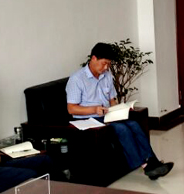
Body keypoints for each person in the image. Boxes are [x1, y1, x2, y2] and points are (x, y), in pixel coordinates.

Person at [66, 42, 174, 180]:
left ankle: (153, 161)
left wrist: (119, 109)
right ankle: (146, 166)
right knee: (122, 128)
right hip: (88, 119)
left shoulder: (106, 75)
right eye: (104, 63)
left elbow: (112, 100)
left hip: (105, 115)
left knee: (134, 124)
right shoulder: (77, 79)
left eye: (108, 64)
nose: (106, 68)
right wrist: (94, 109)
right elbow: (71, 108)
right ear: (93, 58)